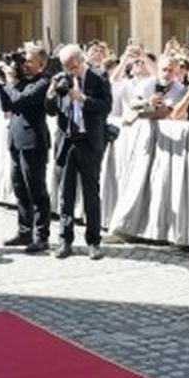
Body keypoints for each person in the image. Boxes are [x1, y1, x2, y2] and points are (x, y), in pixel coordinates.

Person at [51, 44, 111, 259]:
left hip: (89, 141)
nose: (70, 71)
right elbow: (50, 110)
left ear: (81, 61)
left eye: (73, 67)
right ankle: (64, 240)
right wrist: (52, 90)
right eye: (66, 67)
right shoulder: (61, 78)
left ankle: (94, 241)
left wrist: (82, 98)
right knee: (66, 194)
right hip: (67, 141)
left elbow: (106, 106)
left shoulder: (98, 76)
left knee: (90, 194)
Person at [0, 44, 54, 251]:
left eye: (29, 61)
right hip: (15, 140)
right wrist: (2, 82)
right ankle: (24, 232)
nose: (25, 64)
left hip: (33, 142)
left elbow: (22, 100)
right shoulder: (21, 81)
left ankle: (41, 236)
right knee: (20, 189)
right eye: (24, 61)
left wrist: (11, 83)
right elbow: (7, 105)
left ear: (42, 63)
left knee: (36, 190)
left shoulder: (44, 81)